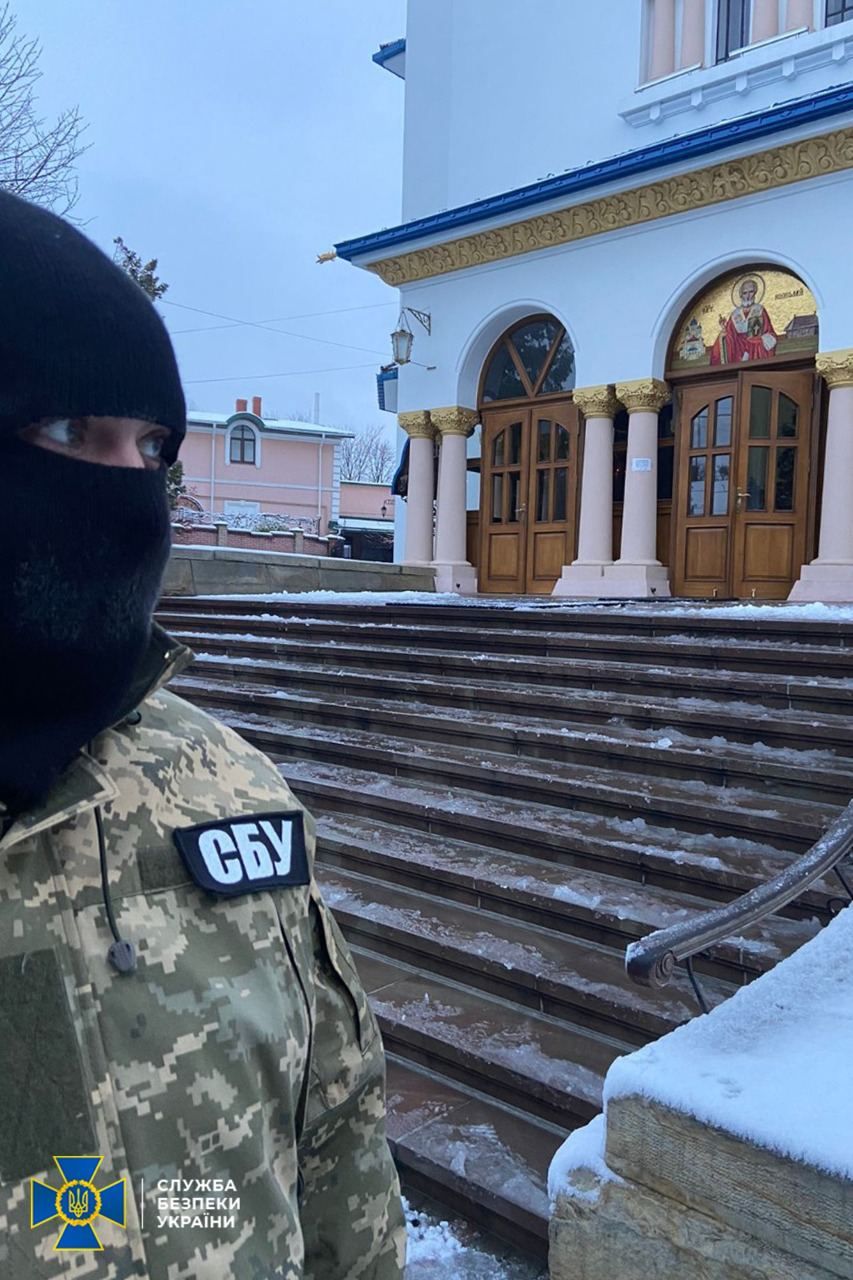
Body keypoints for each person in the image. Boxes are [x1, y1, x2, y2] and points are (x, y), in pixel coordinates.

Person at [0, 189, 406, 1280]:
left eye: (153, 448)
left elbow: (337, 1143)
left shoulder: (221, 785)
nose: (129, 492)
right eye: (69, 432)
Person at [710, 277, 778, 365]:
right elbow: (730, 335)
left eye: (751, 292)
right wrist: (723, 333)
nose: (748, 296)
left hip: (755, 349)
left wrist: (759, 339)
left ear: (755, 292)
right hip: (738, 351)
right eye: (745, 293)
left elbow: (769, 331)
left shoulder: (760, 310)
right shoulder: (735, 314)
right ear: (741, 295)